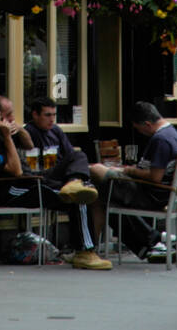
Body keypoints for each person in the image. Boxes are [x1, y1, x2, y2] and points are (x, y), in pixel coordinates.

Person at [0, 95, 111, 270]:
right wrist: (7, 137)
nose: (12, 119)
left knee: (78, 156)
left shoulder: (3, 129)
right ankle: (85, 252)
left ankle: (74, 181)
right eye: (8, 115)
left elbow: (29, 145)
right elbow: (16, 171)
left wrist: (19, 129)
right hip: (10, 189)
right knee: (78, 197)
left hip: (30, 179)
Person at [89, 101, 177, 262]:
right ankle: (155, 240)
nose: (138, 131)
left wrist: (129, 171)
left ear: (147, 124)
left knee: (95, 170)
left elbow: (155, 177)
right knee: (99, 198)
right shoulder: (171, 133)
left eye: (137, 127)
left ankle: (154, 240)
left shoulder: (161, 139)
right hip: (159, 192)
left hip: (150, 194)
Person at [23, 97, 111, 270]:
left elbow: (70, 156)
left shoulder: (56, 131)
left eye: (54, 115)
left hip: (59, 179)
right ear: (34, 115)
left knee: (88, 185)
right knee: (80, 190)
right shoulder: (29, 132)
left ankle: (75, 182)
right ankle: (85, 251)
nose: (52, 119)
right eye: (47, 115)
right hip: (41, 178)